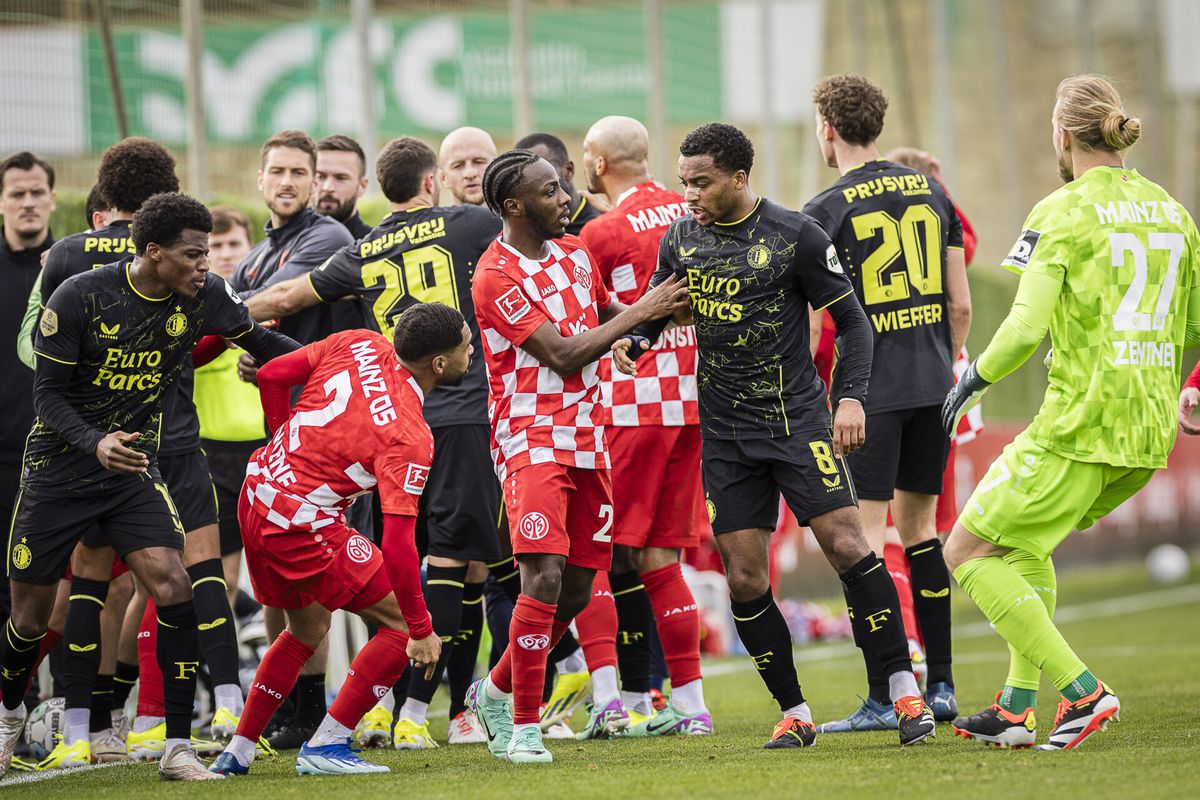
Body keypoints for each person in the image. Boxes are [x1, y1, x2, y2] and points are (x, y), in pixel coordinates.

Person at [619, 123, 934, 749]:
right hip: (728, 435)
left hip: (797, 422)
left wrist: (849, 397)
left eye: (701, 183)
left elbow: (853, 322)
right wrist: (635, 341)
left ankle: (902, 692)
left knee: (848, 546)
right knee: (743, 579)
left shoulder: (795, 234)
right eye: (684, 182)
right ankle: (795, 711)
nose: (690, 195)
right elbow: (657, 308)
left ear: (739, 178)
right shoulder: (681, 238)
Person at [0, 192, 299, 781]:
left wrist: (336, 360)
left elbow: (264, 344)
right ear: (154, 252)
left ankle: (177, 748)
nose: (204, 265)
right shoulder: (80, 296)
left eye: (207, 252)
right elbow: (47, 398)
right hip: (59, 471)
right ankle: (9, 712)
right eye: (192, 255)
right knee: (29, 618)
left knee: (173, 583)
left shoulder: (206, 295)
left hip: (133, 471)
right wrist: (94, 442)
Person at [942, 74, 1200, 750]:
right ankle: (1016, 706)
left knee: (965, 549)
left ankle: (1083, 693)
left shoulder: (1060, 211)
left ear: (1061, 134)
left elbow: (1025, 327)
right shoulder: (1173, 212)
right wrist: (1192, 383)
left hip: (1080, 423)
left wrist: (973, 378)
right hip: (1148, 432)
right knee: (1023, 545)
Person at [242, 136, 506, 748]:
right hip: (456, 413)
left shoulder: (364, 250)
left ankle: (401, 711)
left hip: (372, 426)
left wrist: (218, 320)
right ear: (432, 183)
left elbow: (285, 301)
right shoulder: (470, 224)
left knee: (429, 555)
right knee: (458, 560)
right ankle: (424, 713)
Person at [464, 149, 689, 764]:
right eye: (550, 191)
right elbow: (561, 353)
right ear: (514, 207)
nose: (566, 197)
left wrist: (649, 321)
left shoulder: (574, 253)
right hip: (530, 437)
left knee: (576, 591)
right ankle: (524, 729)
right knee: (544, 577)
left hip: (590, 436)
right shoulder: (495, 274)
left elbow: (602, 315)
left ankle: (497, 689)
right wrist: (643, 309)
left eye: (563, 186)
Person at [209, 303, 473, 776]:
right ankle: (326, 746)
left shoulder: (360, 341)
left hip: (258, 493)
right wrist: (419, 627)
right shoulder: (411, 435)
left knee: (306, 631)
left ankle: (240, 749)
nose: (471, 349)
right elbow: (397, 544)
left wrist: (280, 437)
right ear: (439, 364)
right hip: (301, 522)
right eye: (466, 343)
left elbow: (270, 374)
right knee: (397, 626)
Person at [802, 74, 970, 730]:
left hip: (867, 397)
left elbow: (820, 320)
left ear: (829, 129)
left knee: (865, 540)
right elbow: (960, 303)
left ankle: (888, 693)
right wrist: (943, 363)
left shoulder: (825, 208)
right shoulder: (933, 192)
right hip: (935, 384)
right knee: (923, 530)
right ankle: (946, 686)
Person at [575, 115, 711, 736]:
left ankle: (608, 701)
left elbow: (587, 324)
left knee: (595, 553)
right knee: (662, 557)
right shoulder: (695, 212)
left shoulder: (603, 232)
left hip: (630, 407)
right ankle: (691, 705)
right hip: (694, 405)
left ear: (597, 163)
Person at [231, 129, 355, 747]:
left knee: (308, 577)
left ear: (313, 183)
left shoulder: (325, 236)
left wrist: (219, 311)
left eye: (297, 173)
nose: (286, 182)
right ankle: (286, 706)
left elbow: (263, 306)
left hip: (322, 431)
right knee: (276, 580)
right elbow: (244, 323)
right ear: (260, 180)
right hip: (275, 430)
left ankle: (310, 708)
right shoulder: (255, 254)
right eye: (275, 171)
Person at [193, 207, 263, 604]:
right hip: (210, 453)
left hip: (263, 450)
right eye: (214, 246)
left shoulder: (268, 301)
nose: (225, 253)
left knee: (274, 564)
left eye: (234, 243)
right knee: (219, 571)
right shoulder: (191, 305)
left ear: (250, 247)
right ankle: (222, 659)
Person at [0, 152, 56, 627]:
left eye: (37, 192)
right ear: (2, 201)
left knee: (61, 582)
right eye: (18, 193)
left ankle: (60, 697)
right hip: (1, 452)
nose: (29, 202)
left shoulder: (72, 267)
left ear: (54, 200)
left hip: (60, 448)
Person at [515, 132, 603, 235]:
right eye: (524, 177)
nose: (533, 183)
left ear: (568, 170)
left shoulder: (599, 230)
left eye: (543, 171)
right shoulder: (522, 232)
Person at [315, 134, 372, 239]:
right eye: (321, 177)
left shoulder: (375, 249)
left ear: (362, 186)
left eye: (341, 178)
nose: (328, 188)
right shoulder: (287, 241)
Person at [439, 126, 497, 206]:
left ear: (497, 168)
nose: (470, 174)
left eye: (479, 162)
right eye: (458, 166)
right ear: (444, 178)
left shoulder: (518, 216)